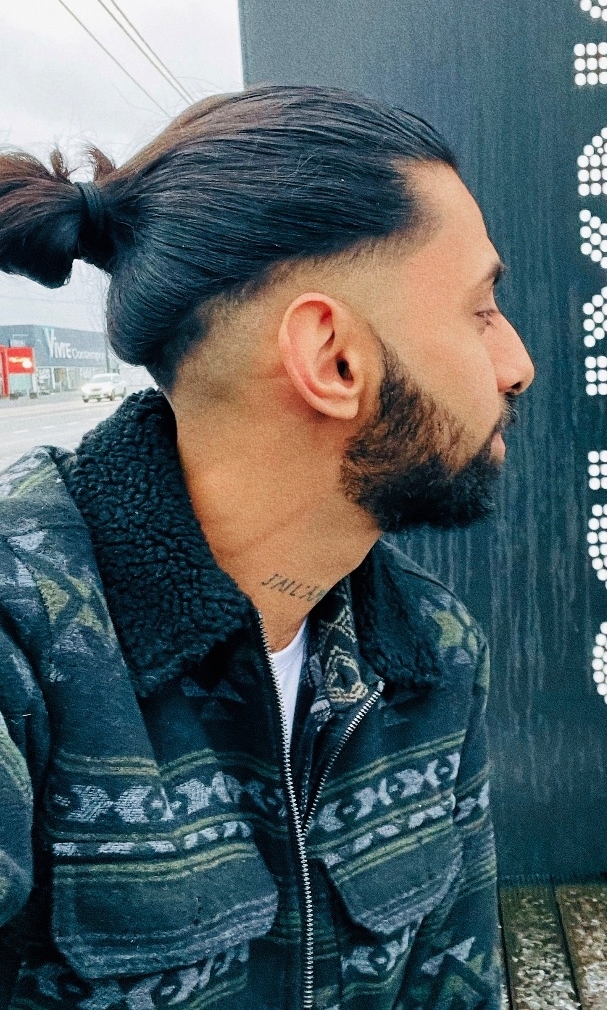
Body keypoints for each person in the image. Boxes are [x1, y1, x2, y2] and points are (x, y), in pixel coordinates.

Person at [0, 86, 534, 1010]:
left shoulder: (430, 652)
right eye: (480, 309)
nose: (515, 364)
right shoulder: (23, 647)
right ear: (332, 358)